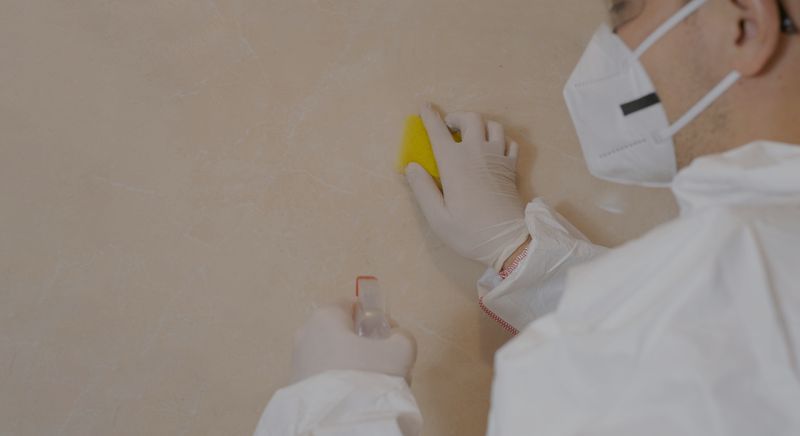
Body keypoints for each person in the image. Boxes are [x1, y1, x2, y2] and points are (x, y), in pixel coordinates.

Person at [254, 0, 800, 434]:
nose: (610, 45)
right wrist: (518, 249)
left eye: (625, 10)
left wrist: (337, 406)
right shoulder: (752, 273)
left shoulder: (711, 298)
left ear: (744, 25)